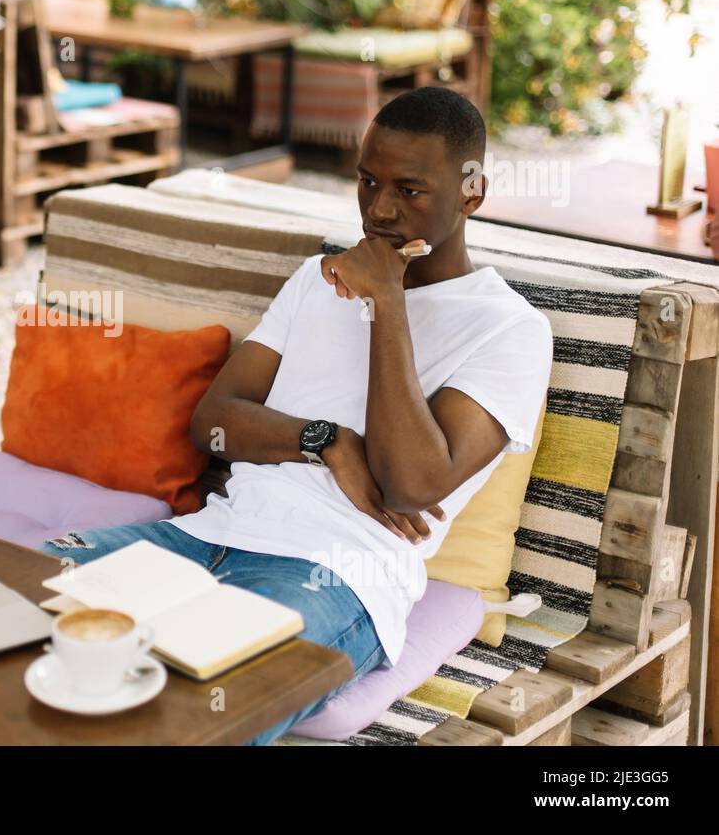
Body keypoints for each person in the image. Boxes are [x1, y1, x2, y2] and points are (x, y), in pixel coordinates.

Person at [38, 87, 554, 745]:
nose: (380, 209)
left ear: (472, 191)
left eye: (410, 190)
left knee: (194, 713)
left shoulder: (509, 329)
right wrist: (325, 440)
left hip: (338, 577)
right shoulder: (316, 279)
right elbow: (215, 423)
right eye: (368, 182)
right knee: (14, 594)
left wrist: (386, 302)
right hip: (206, 539)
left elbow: (411, 485)